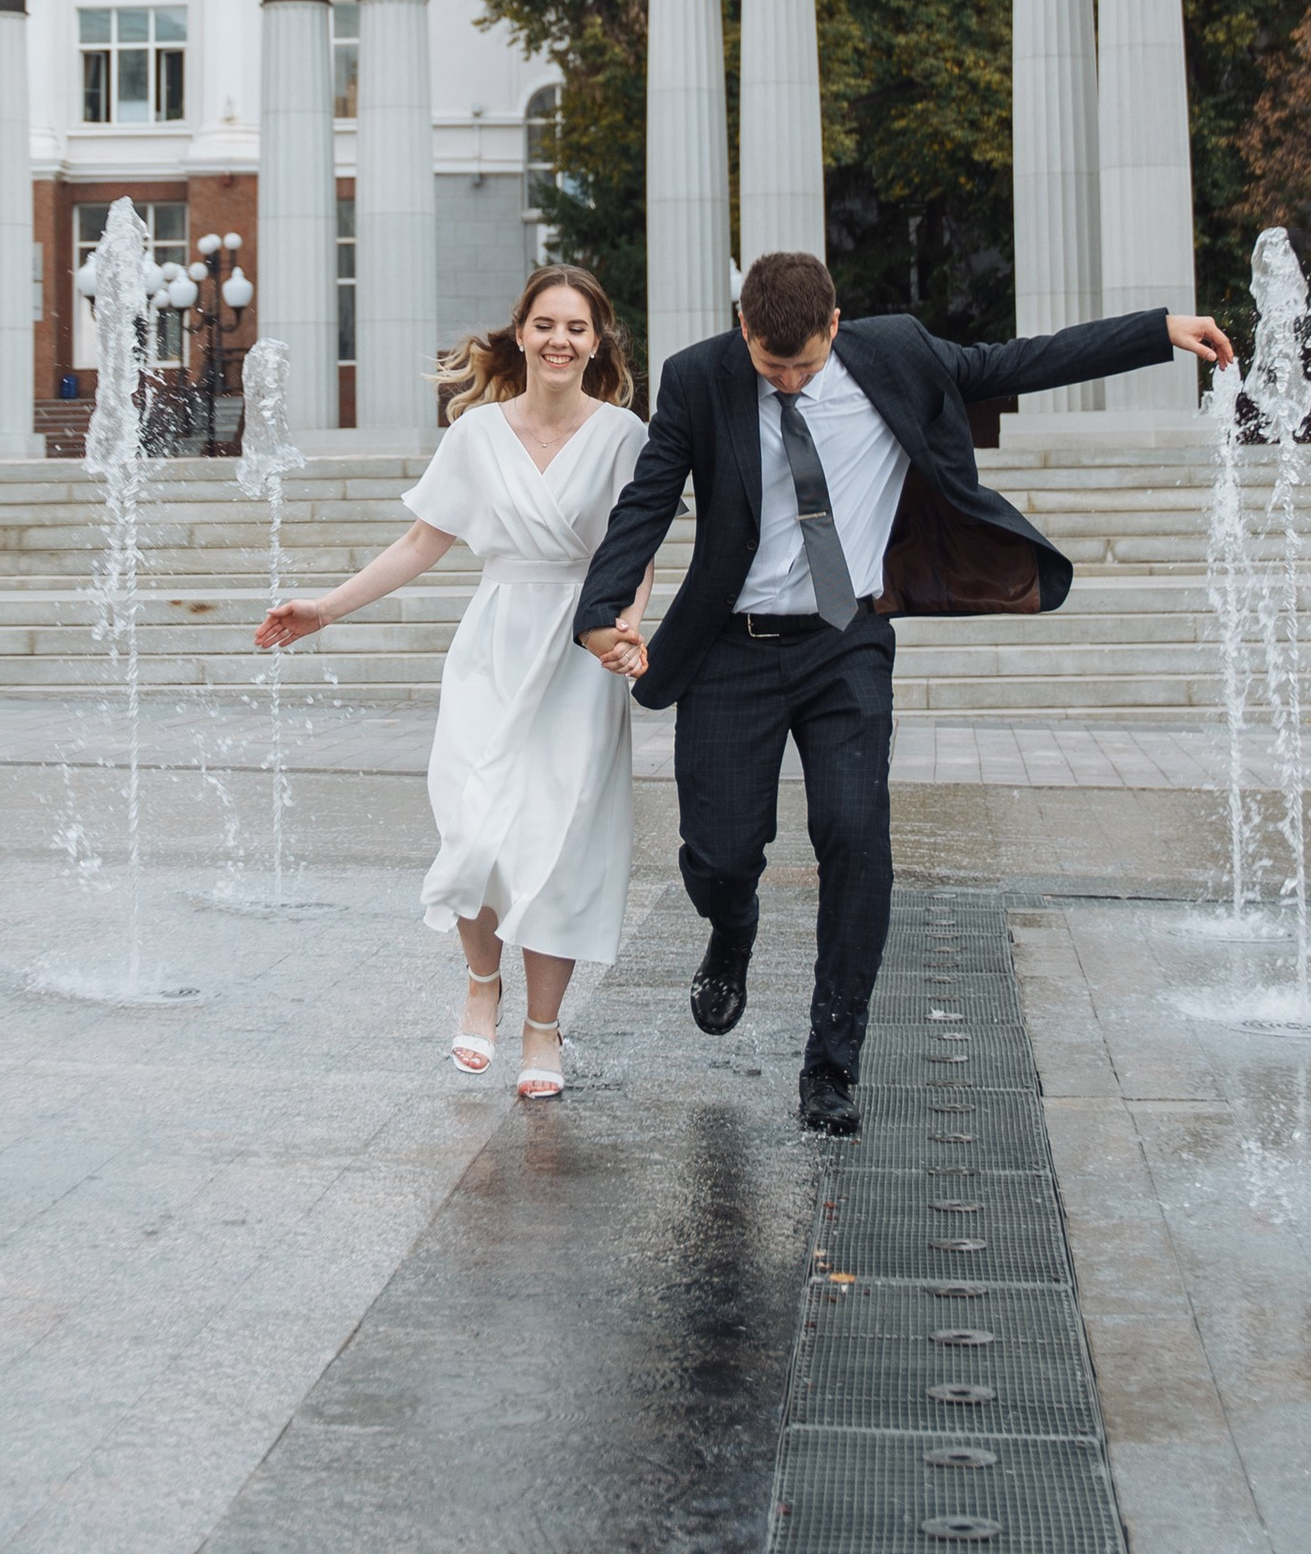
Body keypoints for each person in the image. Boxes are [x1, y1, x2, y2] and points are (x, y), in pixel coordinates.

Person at [574, 251, 1234, 1135]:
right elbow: (646, 501)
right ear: (743, 333)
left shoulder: (899, 353)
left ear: (836, 326)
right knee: (721, 855)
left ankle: (832, 1062)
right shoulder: (699, 379)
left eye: (807, 364)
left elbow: (1016, 361)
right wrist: (600, 611)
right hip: (731, 648)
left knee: (855, 833)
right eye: (776, 369)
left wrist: (1156, 333)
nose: (794, 383)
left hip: (845, 643)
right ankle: (732, 930)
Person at [255, 265, 650, 1102]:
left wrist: (622, 628)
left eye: (577, 328)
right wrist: (325, 608)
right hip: (495, 647)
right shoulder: (474, 435)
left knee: (559, 848)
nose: (560, 340)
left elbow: (636, 550)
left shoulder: (622, 436)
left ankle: (543, 1031)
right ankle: (482, 981)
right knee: (472, 828)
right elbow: (419, 544)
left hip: (579, 655)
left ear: (598, 342)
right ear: (520, 331)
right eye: (546, 323)